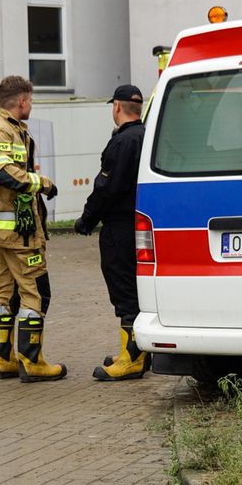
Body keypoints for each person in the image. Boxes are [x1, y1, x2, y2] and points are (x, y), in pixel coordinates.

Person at [0, 75, 64, 383]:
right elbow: (2, 172)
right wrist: (42, 184)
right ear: (21, 101)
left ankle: (3, 359)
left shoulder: (11, 129)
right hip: (17, 233)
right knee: (37, 291)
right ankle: (31, 362)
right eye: (31, 100)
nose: (31, 105)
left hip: (9, 231)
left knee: (6, 292)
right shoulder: (1, 129)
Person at [74, 85, 150, 381]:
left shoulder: (122, 142)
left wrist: (86, 220)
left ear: (117, 107)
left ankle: (131, 359)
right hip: (140, 223)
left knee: (124, 290)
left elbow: (106, 188)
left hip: (119, 227)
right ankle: (137, 351)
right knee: (136, 287)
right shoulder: (147, 136)